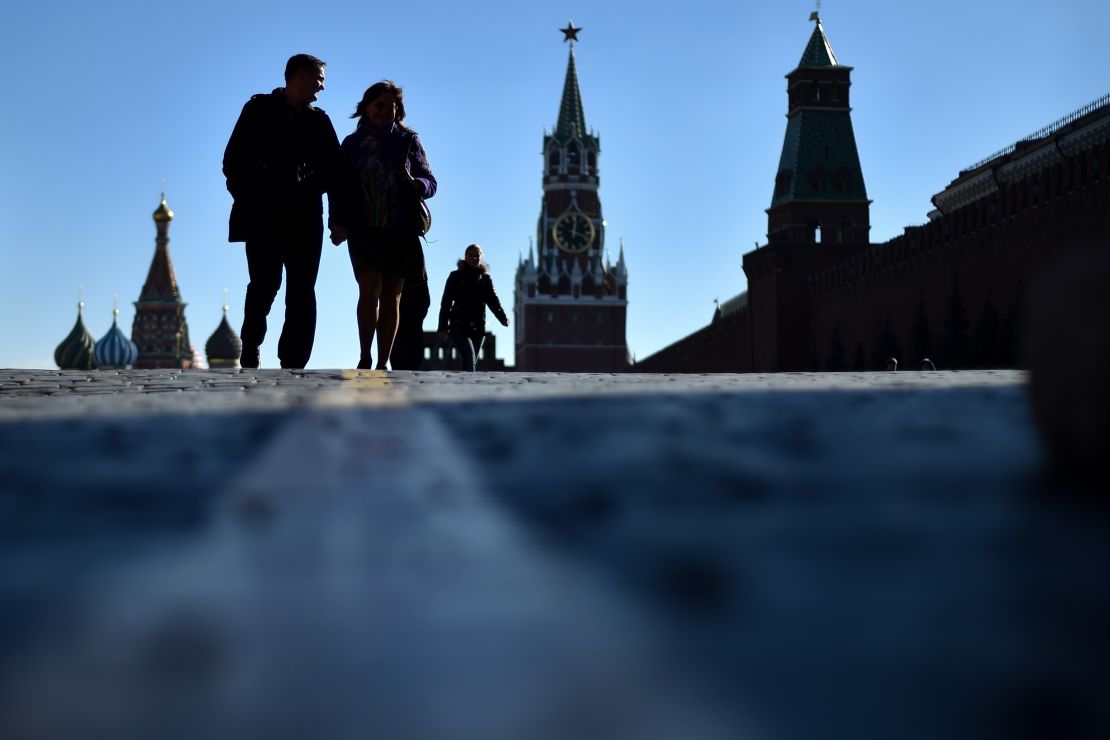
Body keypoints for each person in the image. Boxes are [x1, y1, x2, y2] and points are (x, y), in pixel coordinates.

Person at [222, 53, 347, 369]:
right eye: (319, 79)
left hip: (306, 218)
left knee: (303, 289)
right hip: (264, 216)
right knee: (265, 284)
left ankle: (293, 362)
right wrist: (250, 201)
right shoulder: (258, 110)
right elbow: (233, 162)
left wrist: (338, 220)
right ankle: (251, 342)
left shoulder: (320, 122)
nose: (321, 87)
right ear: (301, 76)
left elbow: (336, 175)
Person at [335, 80, 436, 370]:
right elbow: (339, 188)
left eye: (392, 107)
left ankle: (383, 360)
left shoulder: (408, 141)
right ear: (367, 108)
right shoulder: (352, 144)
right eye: (380, 105)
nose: (386, 111)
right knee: (369, 289)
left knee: (392, 295)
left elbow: (430, 181)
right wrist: (337, 223)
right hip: (363, 227)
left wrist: (418, 185)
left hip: (399, 226)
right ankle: (365, 354)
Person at [436, 244, 510, 372]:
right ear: (465, 257)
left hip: (478, 326)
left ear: (481, 258)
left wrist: (503, 317)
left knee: (470, 362)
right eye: (471, 255)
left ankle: (465, 388)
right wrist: (443, 326)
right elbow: (446, 302)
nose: (474, 258)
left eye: (477, 255)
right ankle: (468, 388)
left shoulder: (485, 279)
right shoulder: (455, 276)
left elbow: (493, 301)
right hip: (459, 324)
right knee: (470, 358)